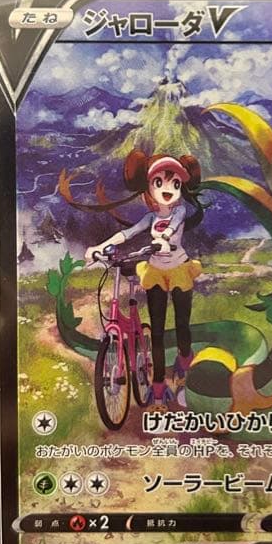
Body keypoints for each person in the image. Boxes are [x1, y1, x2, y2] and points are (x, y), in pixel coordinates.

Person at [85, 151, 203, 406]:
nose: (167, 189)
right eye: (159, 182)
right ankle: (158, 388)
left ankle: (185, 366)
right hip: (156, 271)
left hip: (179, 269)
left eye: (175, 183)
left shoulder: (180, 210)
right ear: (149, 186)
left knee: (182, 325)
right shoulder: (150, 217)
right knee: (157, 332)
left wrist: (164, 238)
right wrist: (100, 247)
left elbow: (174, 225)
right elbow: (129, 233)